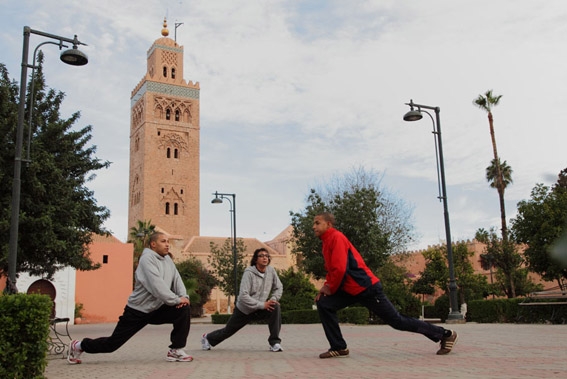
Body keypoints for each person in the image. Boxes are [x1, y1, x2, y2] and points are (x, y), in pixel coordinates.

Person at [313, 212, 458, 359]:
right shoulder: (326, 242)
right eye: (314, 223)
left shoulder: (337, 237)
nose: (314, 226)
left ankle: (445, 334)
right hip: (351, 289)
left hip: (367, 288)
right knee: (324, 303)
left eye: (317, 223)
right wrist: (326, 287)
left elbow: (340, 269)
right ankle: (339, 347)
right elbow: (332, 270)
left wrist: (330, 288)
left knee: (397, 321)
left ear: (329, 224)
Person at [67, 232, 193, 363]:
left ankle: (176, 350)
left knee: (183, 309)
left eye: (168, 241)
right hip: (137, 311)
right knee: (111, 345)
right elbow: (157, 286)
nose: (167, 244)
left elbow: (177, 280)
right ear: (153, 244)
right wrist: (176, 300)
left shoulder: (167, 260)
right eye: (163, 241)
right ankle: (79, 345)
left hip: (157, 309)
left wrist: (183, 297)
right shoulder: (146, 259)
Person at [201, 248, 284, 352]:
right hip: (244, 310)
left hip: (260, 309)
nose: (265, 258)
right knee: (227, 331)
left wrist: (273, 299)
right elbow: (243, 296)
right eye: (261, 256)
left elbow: (279, 287)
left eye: (267, 256)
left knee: (275, 306)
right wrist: (262, 304)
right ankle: (207, 338)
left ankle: (275, 343)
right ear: (255, 259)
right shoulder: (248, 273)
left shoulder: (271, 271)